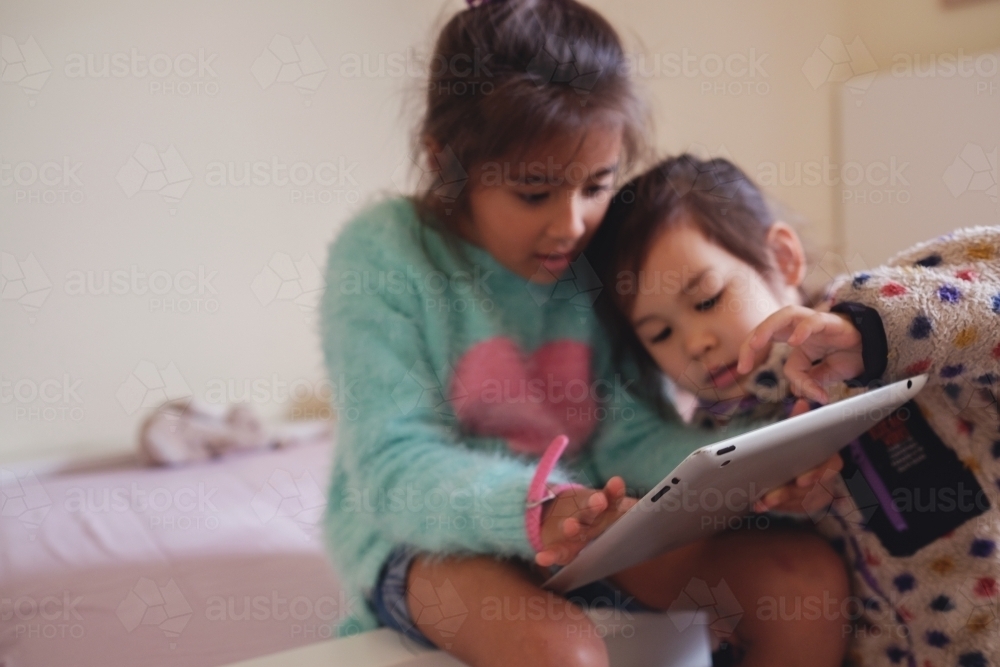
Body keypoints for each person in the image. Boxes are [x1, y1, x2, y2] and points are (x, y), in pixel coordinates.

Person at [319, 3, 849, 665]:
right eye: (534, 192)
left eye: (597, 184)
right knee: (560, 651)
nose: (572, 223)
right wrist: (534, 504)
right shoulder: (384, 253)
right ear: (446, 162)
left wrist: (758, 461)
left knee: (805, 584)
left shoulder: (590, 258)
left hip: (588, 527)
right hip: (426, 540)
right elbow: (393, 466)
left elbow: (631, 435)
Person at [589, 152, 1000, 666]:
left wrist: (874, 333)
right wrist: (781, 513)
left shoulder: (874, 312)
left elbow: (987, 292)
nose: (694, 342)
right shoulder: (717, 447)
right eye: (661, 334)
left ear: (782, 258)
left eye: (707, 299)